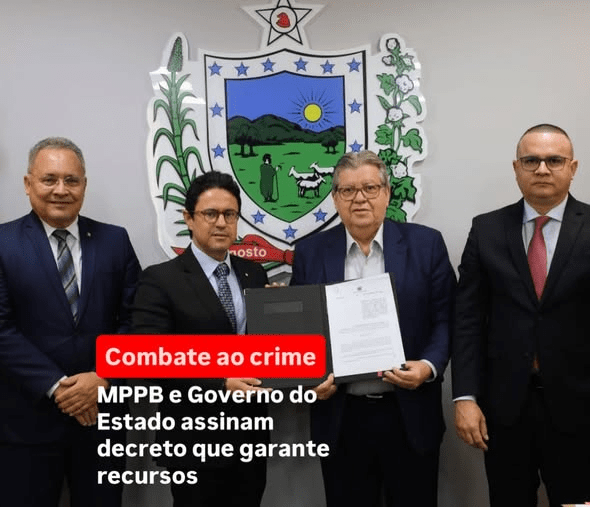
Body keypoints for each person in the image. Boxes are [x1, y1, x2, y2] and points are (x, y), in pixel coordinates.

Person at [290, 150, 455, 507]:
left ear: (387, 193)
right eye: (348, 190)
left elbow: (446, 317)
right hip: (341, 416)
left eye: (369, 188)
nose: (359, 198)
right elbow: (300, 332)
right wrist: (309, 377)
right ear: (335, 198)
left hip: (409, 412)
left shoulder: (426, 244)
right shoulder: (309, 252)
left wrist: (428, 366)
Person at [452, 124, 590, 507]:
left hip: (581, 408)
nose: (542, 169)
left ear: (573, 167)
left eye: (554, 160)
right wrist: (464, 397)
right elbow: (467, 321)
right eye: (531, 161)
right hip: (504, 409)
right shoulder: (487, 229)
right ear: (516, 168)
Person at [0, 137, 141, 507]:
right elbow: (1, 329)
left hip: (102, 419)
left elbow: (136, 320)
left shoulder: (115, 240)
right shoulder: (3, 243)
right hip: (26, 423)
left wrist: (103, 376)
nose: (61, 190)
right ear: (28, 183)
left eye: (71, 180)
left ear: (84, 185)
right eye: (49, 179)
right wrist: (58, 387)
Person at [132, 171, 269, 507]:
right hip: (193, 441)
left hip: (250, 438)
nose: (221, 223)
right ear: (189, 218)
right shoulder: (160, 280)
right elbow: (150, 358)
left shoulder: (254, 274)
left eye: (230, 214)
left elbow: (263, 346)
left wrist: (277, 312)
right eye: (210, 213)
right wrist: (220, 381)